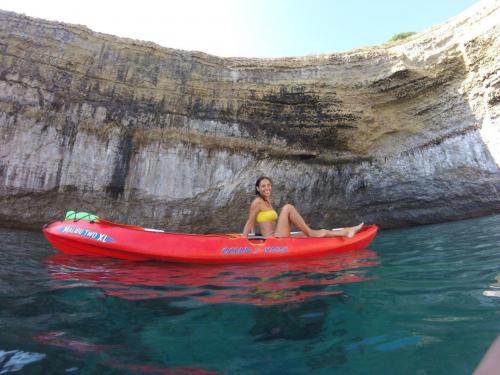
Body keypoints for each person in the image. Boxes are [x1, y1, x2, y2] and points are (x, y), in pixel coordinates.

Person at [242, 176, 364, 238]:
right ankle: (311, 232)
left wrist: (253, 234)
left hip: (278, 234)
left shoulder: (267, 201)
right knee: (288, 208)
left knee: (304, 234)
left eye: (268, 185)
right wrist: (245, 239)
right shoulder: (257, 202)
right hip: (273, 238)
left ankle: (346, 231)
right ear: (258, 188)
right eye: (263, 186)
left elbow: (254, 222)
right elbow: (250, 221)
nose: (266, 188)